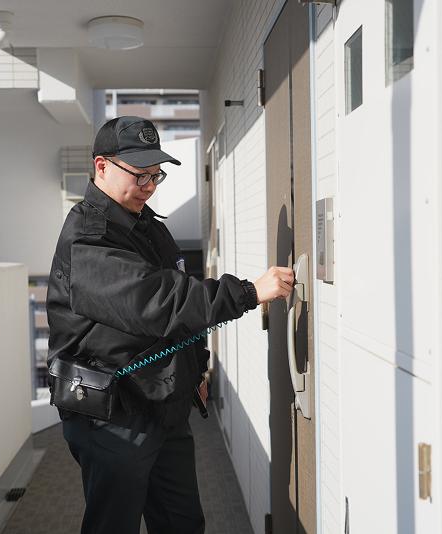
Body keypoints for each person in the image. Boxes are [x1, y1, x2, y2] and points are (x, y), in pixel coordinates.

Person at [46, 116, 294, 534]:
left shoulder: (146, 225)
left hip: (162, 406)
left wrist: (195, 369)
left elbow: (178, 305)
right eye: (139, 175)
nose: (150, 186)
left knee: (183, 523)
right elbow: (160, 301)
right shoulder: (88, 239)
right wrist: (249, 292)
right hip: (111, 416)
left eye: (156, 175)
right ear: (102, 166)